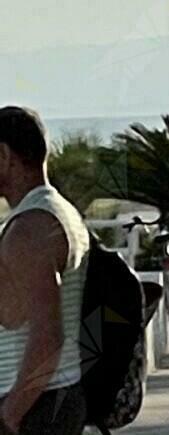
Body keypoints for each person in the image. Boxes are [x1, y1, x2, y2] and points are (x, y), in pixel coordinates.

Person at [0, 107, 89, 434]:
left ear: (4, 154)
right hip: (52, 399)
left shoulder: (28, 230)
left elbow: (48, 335)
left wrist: (9, 416)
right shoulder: (58, 212)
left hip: (34, 407)